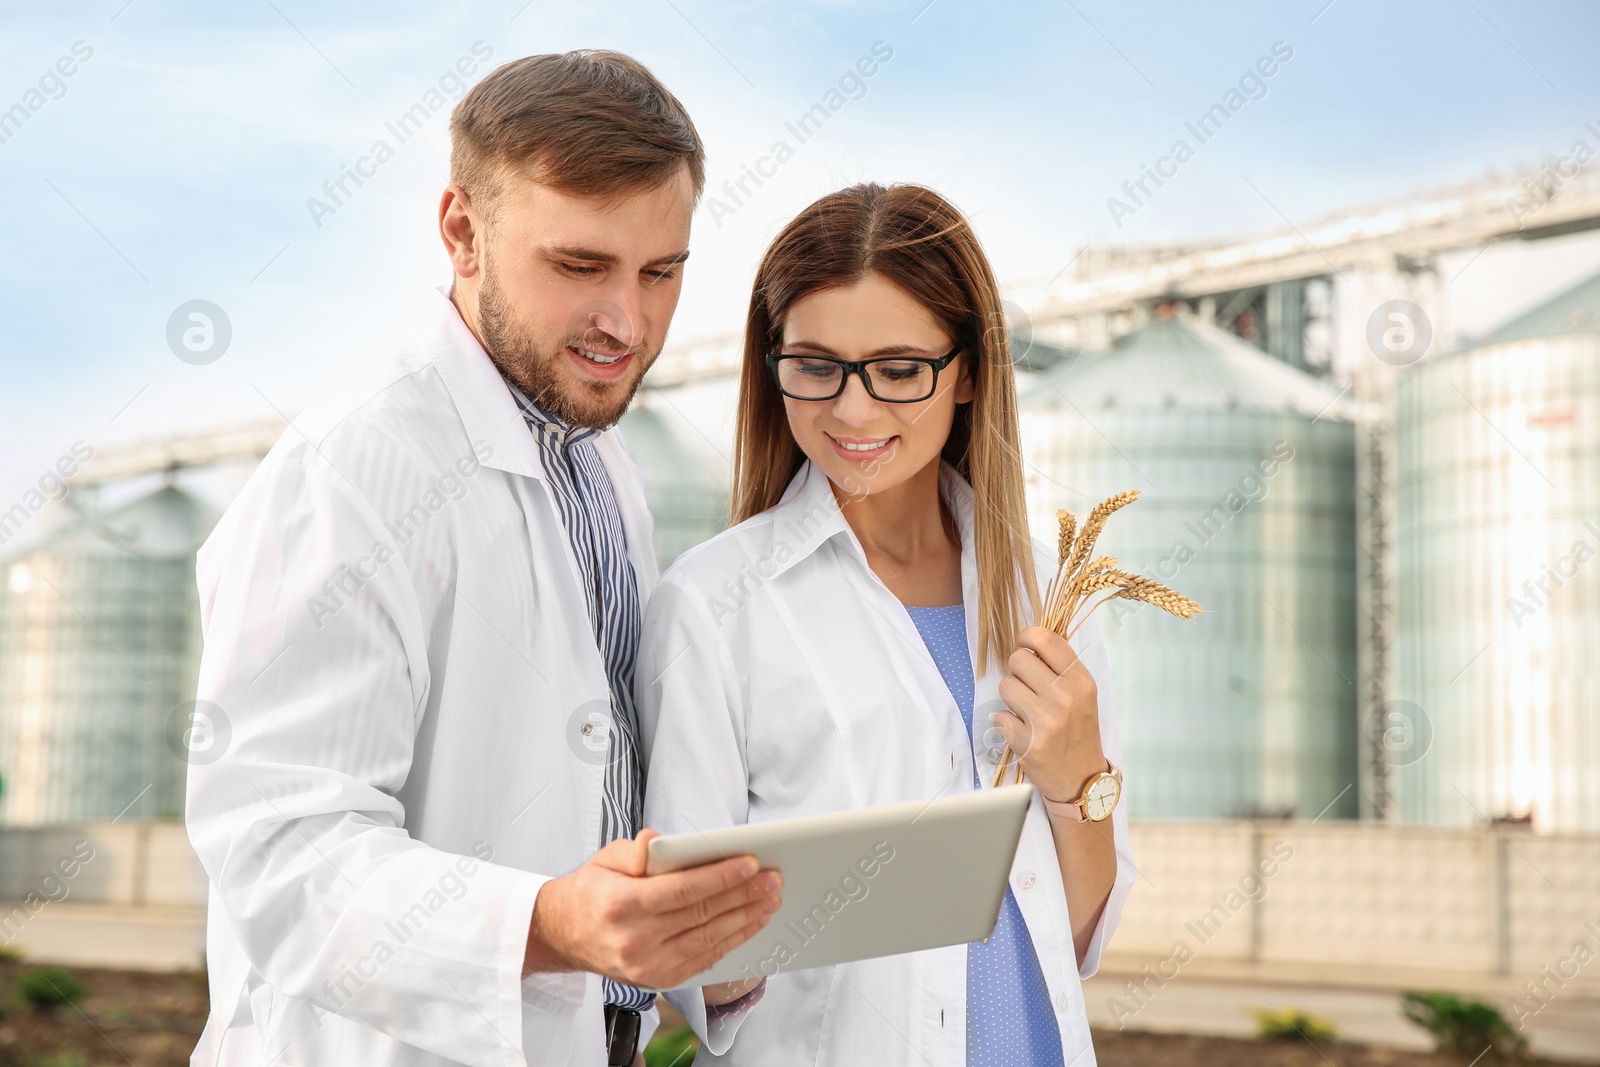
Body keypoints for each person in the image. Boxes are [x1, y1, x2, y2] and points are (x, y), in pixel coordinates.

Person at [185, 51, 781, 1067]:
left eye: (661, 271)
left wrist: (691, 937)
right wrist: (547, 923)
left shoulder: (599, 463)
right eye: (579, 265)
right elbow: (281, 853)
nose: (626, 322)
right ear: (463, 231)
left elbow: (588, 780)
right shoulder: (351, 472)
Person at [636, 183, 1136, 1065]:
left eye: (899, 370)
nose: (853, 411)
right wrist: (721, 937)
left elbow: (1086, 932)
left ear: (970, 369)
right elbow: (698, 977)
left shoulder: (1049, 593)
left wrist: (1077, 782)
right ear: (774, 363)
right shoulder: (714, 606)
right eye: (816, 365)